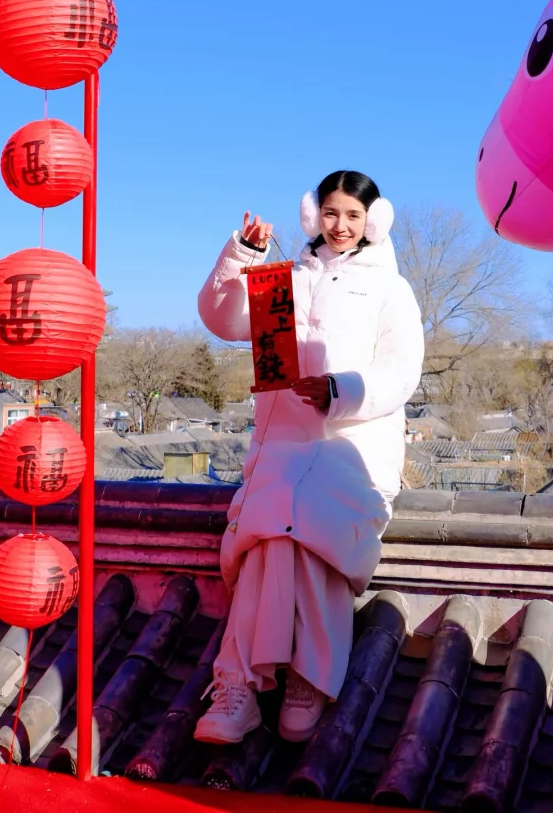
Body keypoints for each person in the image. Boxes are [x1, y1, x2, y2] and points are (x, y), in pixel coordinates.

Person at [194, 170, 424, 745]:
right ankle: (246, 684)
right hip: (280, 447)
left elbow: (401, 373)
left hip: (355, 448)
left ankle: (294, 677)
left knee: (312, 528)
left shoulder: (391, 289)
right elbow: (222, 320)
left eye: (353, 215)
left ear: (372, 220)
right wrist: (241, 255)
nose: (340, 225)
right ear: (313, 215)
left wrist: (340, 391)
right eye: (330, 213)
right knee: (270, 532)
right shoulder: (284, 278)